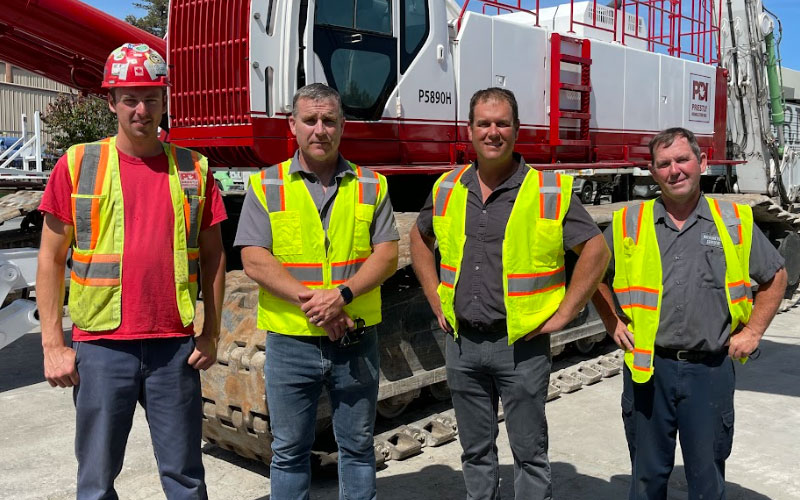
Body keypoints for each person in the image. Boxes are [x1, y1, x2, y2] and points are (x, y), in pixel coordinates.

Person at [37, 43, 227, 500]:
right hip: (102, 347)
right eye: (130, 99)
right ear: (111, 101)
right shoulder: (79, 164)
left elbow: (214, 254)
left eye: (152, 98)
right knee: (96, 480)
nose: (142, 110)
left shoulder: (194, 168)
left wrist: (212, 333)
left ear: (165, 99)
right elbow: (50, 258)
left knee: (185, 477)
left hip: (172, 348)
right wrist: (53, 345)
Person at [410, 87, 610, 500]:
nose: (493, 132)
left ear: (517, 131)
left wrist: (567, 312)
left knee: (530, 453)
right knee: (475, 451)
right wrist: (435, 298)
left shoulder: (548, 191)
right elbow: (418, 238)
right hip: (462, 343)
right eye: (484, 123)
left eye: (502, 123)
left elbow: (596, 250)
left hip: (520, 345)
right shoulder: (448, 188)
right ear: (470, 130)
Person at [591, 127, 787, 500]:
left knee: (706, 481)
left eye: (682, 160)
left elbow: (775, 276)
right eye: (663, 164)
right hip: (649, 371)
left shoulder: (733, 221)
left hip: (709, 372)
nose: (674, 170)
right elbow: (594, 273)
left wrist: (754, 332)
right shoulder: (630, 223)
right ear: (652, 172)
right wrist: (611, 321)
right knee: (647, 480)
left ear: (702, 163)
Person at [234, 83, 399, 500]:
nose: (320, 130)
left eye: (329, 121)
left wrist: (340, 296)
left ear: (343, 126)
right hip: (291, 343)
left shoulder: (371, 185)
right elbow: (254, 259)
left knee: (358, 447)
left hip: (355, 338)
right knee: (289, 451)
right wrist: (319, 304)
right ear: (293, 125)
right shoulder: (267, 185)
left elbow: (386, 256)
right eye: (310, 120)